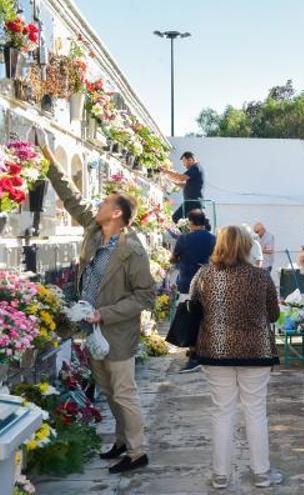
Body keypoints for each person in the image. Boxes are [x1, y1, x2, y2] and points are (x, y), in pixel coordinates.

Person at [38, 131, 154, 474]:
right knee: (108, 390)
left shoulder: (132, 249)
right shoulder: (94, 231)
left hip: (116, 332)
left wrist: (105, 313)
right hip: (91, 329)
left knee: (124, 392)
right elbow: (72, 198)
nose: (98, 206)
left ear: (116, 214)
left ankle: (138, 452)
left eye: (105, 204)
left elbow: (145, 296)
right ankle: (121, 441)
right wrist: (46, 154)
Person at [190, 226, 282, 489]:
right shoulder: (261, 277)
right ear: (245, 247)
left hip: (216, 351)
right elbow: (273, 315)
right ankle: (261, 473)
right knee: (255, 411)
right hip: (256, 351)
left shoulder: (204, 275)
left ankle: (220, 475)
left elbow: (194, 308)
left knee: (222, 412)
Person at [171, 209, 216, 373]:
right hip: (209, 282)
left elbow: (174, 258)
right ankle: (204, 350)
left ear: (190, 222)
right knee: (205, 317)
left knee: (190, 318)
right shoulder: (214, 239)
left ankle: (195, 354)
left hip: (188, 281)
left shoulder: (183, 239)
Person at [166, 151, 205, 223]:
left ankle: (185, 234)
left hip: (192, 202)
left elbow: (181, 178)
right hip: (192, 202)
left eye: (184, 162)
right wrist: (173, 182)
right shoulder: (196, 168)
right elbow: (186, 184)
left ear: (190, 160)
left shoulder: (195, 168)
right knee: (189, 222)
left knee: (176, 218)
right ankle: (187, 233)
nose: (184, 165)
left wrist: (166, 171)